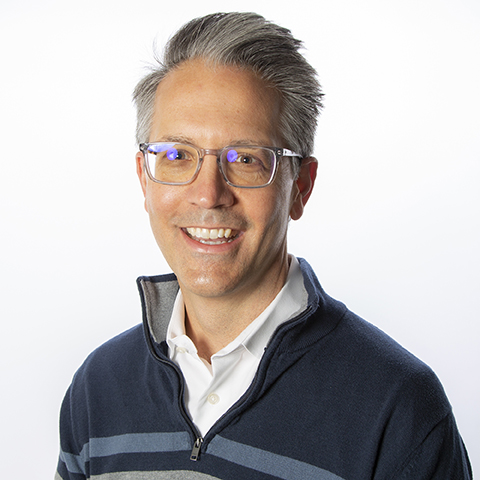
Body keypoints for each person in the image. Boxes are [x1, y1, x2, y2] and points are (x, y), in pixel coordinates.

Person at [55, 12, 472, 480]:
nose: (209, 194)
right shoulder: (98, 389)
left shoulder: (397, 407)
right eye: (176, 155)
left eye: (247, 159)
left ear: (301, 187)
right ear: (143, 179)